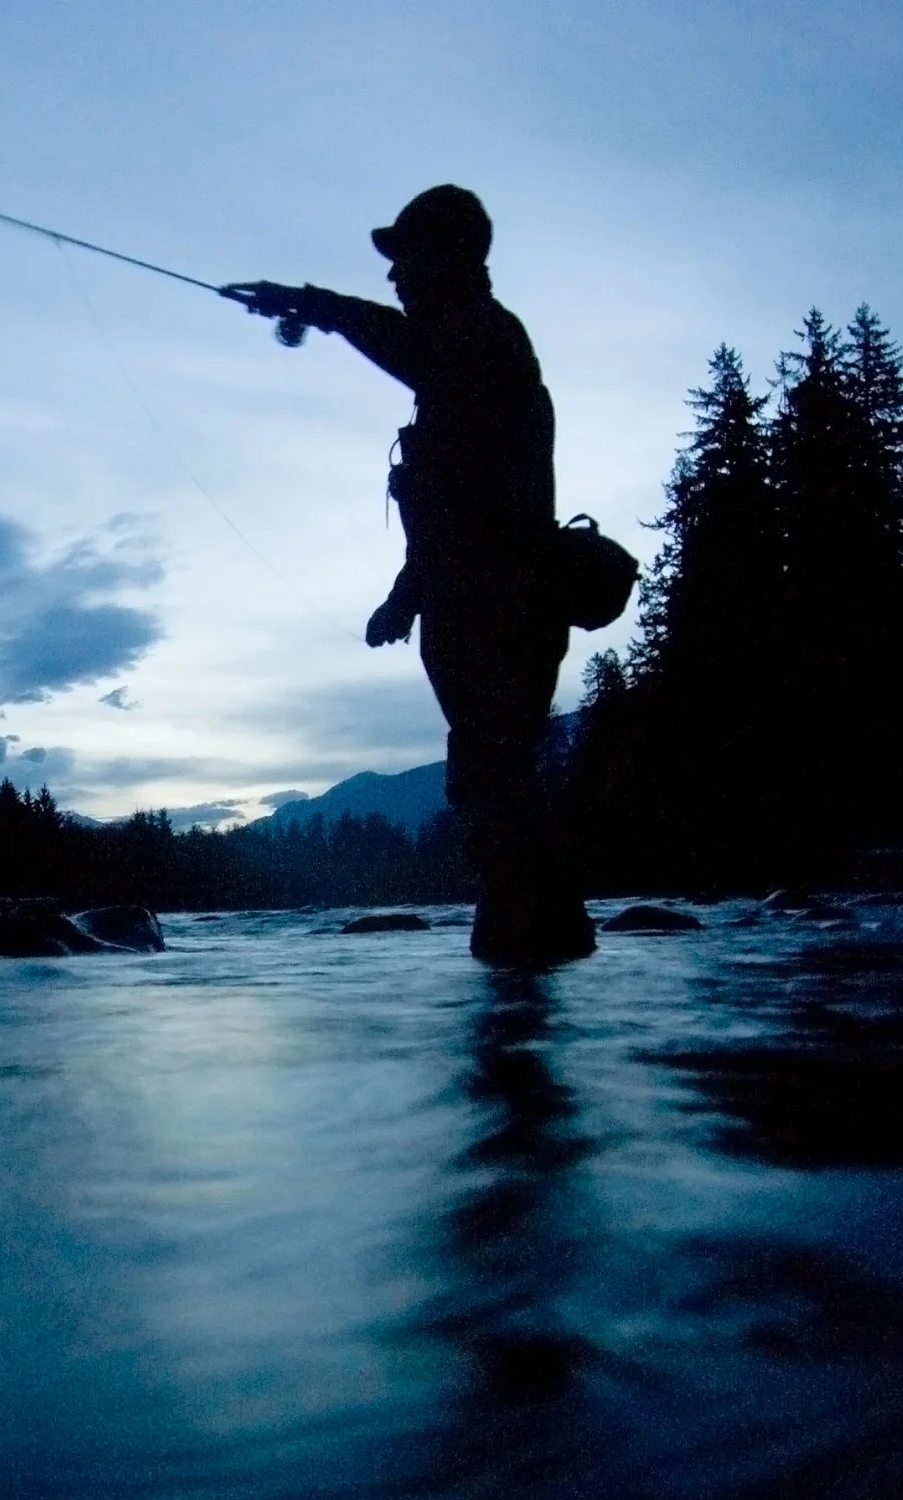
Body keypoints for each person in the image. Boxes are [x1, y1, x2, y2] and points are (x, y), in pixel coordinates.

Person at [225, 185, 595, 964]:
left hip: (505, 615)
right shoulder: (467, 360)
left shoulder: (484, 342)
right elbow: (455, 513)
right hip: (485, 610)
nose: (394, 276)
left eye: (404, 259)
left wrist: (312, 303)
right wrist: (405, 600)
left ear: (451, 260)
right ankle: (532, 977)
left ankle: (533, 967)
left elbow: (418, 360)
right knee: (496, 788)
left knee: (495, 789)